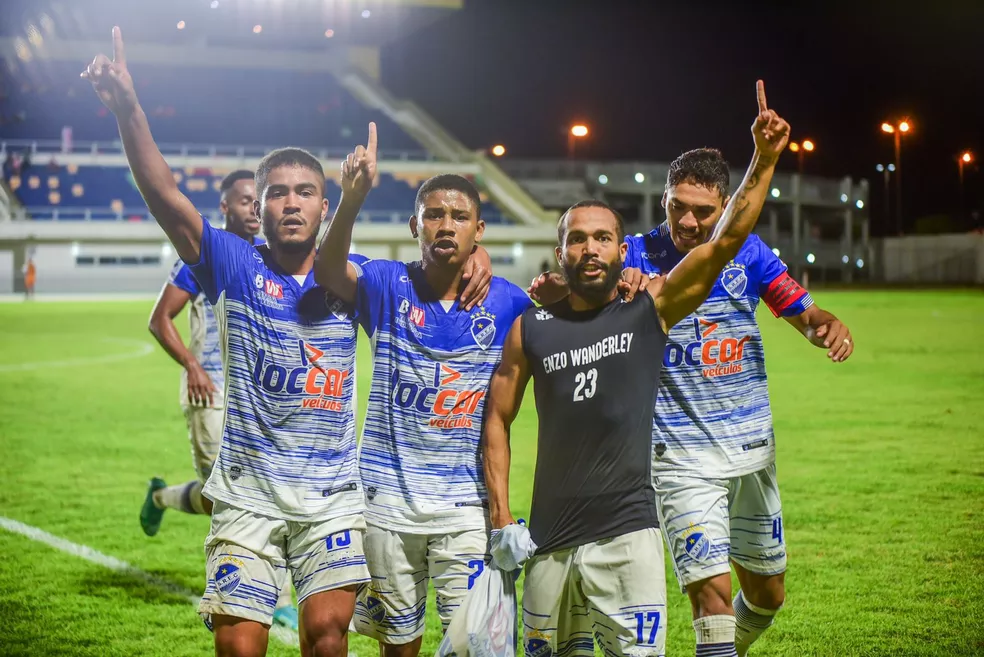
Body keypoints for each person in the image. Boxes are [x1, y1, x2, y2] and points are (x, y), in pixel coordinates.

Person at [85, 28, 368, 657]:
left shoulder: (357, 278)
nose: (291, 204)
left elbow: (435, 279)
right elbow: (164, 196)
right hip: (246, 493)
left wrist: (479, 256)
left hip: (332, 496)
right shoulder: (233, 263)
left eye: (306, 192)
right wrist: (130, 110)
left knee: (326, 636)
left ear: (326, 206)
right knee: (239, 646)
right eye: (277, 193)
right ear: (257, 207)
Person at [484, 81, 790, 657]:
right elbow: (496, 418)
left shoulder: (649, 313)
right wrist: (501, 516)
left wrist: (766, 159)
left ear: (624, 252)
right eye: (578, 239)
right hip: (549, 540)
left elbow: (724, 245)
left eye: (604, 238)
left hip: (630, 534)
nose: (591, 249)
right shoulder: (532, 326)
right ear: (560, 252)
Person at [531, 127, 853, 657]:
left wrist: (824, 324)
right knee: (712, 598)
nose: (686, 221)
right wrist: (558, 288)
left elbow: (802, 310)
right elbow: (580, 271)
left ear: (726, 206)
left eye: (703, 212)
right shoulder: (632, 253)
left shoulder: (747, 252)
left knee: (768, 595)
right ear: (663, 199)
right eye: (676, 206)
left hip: (752, 450)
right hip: (677, 455)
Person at [314, 126, 528, 657]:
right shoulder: (387, 284)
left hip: (465, 509)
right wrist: (352, 199)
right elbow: (325, 269)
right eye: (434, 215)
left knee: (477, 645)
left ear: (480, 230)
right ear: (415, 225)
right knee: (399, 646)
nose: (446, 225)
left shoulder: (508, 303)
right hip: (386, 505)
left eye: (459, 217)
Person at [141, 170, 300, 630]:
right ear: (226, 208)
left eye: (258, 200)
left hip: (258, 398)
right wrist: (193, 365)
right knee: (225, 502)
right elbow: (160, 320)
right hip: (209, 394)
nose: (254, 208)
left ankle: (279, 596)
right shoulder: (200, 256)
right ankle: (166, 501)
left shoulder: (270, 257)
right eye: (244, 201)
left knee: (270, 495)